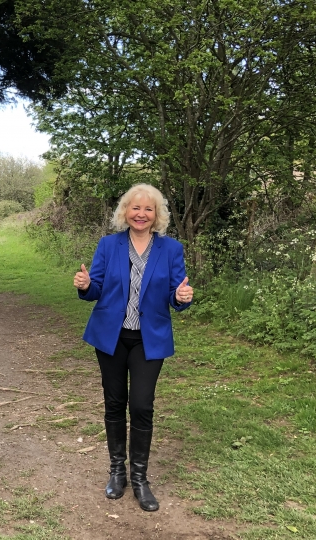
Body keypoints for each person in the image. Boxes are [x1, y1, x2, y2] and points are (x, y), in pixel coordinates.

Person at [73, 184, 193, 512]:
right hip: (110, 337)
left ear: (157, 215)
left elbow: (175, 292)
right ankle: (117, 472)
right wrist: (86, 286)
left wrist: (181, 298)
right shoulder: (109, 245)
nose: (141, 214)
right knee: (115, 403)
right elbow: (95, 288)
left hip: (148, 338)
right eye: (135, 208)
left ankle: (140, 478)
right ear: (125, 212)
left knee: (141, 405)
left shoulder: (171, 249)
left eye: (148, 209)